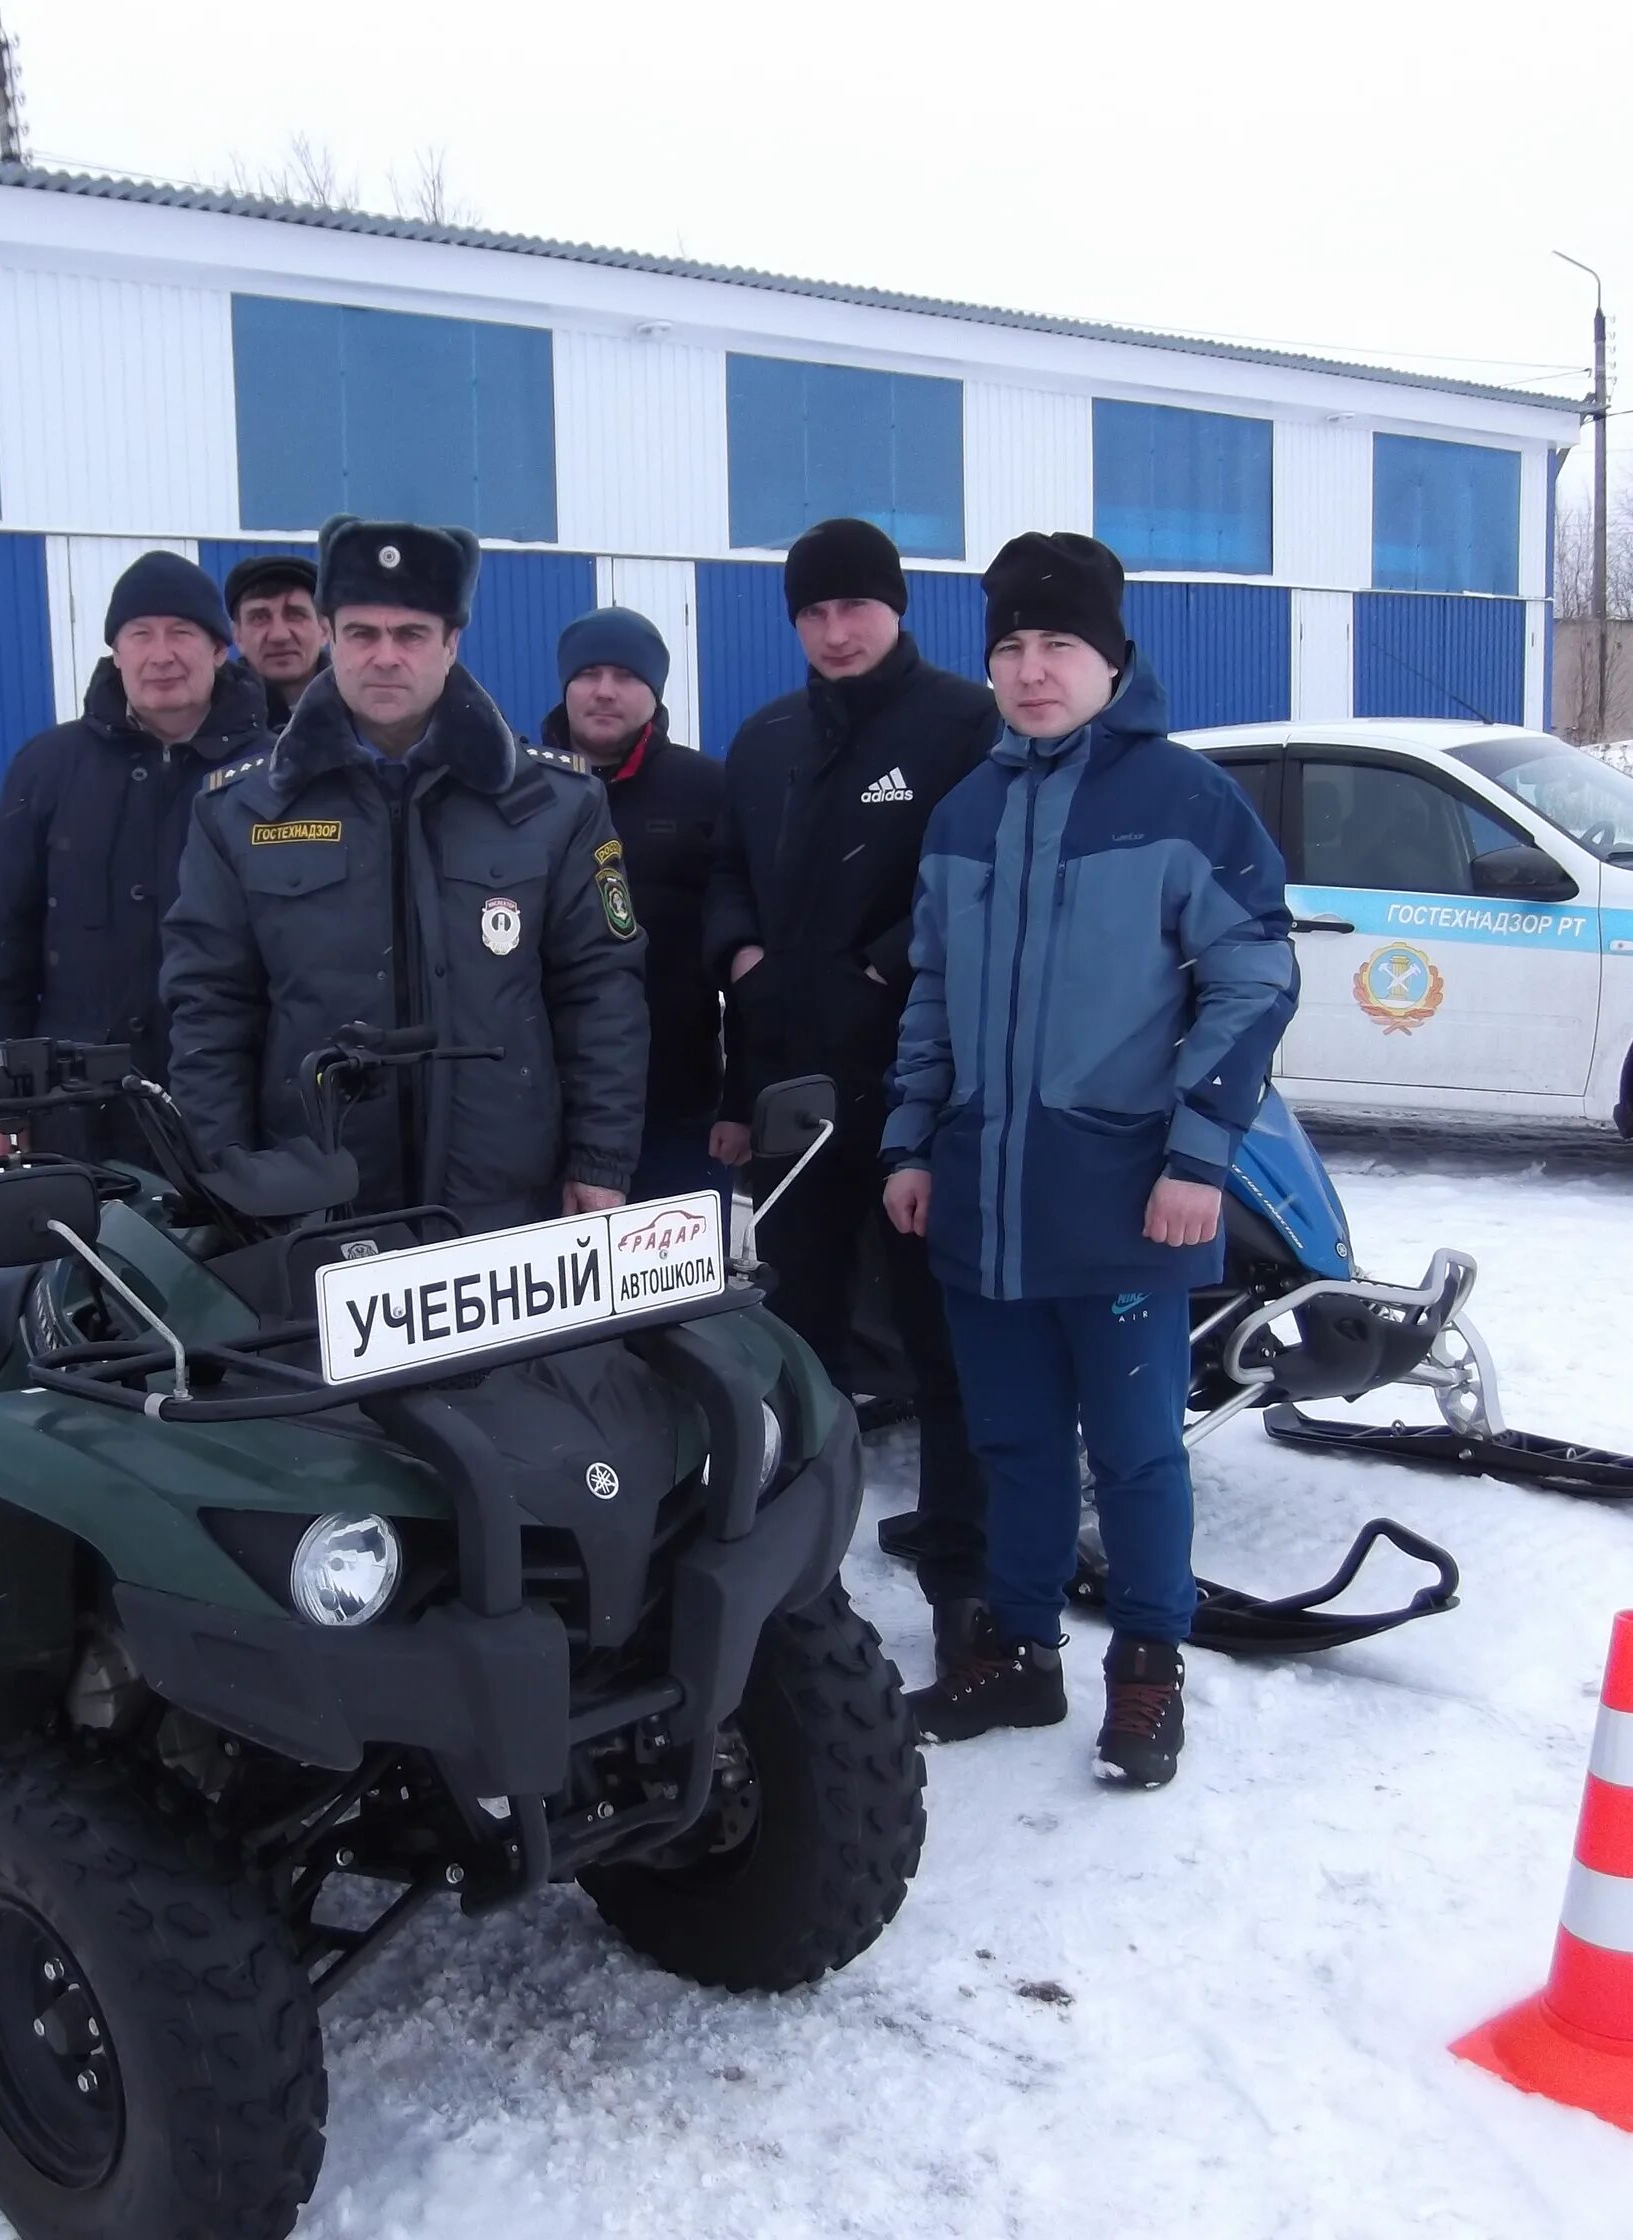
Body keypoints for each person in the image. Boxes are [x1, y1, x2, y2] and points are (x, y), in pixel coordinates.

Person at [882, 532, 1298, 1788]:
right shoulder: (966, 810)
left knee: (1133, 1452)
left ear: (1113, 659)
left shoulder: (1184, 800)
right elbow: (933, 993)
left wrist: (1199, 1157)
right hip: (985, 1200)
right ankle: (1019, 1652)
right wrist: (911, 1140)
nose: (1031, 667)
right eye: (1008, 644)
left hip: (1127, 1197)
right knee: (1011, 1445)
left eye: (1058, 643)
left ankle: (1148, 1668)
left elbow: (1256, 976)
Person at [164, 516, 648, 1232]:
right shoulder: (243, 809)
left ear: (451, 643)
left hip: (502, 1199)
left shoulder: (554, 803)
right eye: (363, 633)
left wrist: (600, 1161)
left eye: (412, 634)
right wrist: (226, 1175)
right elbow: (210, 1005)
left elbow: (600, 992)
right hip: (312, 1199)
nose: (385, 656)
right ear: (329, 635)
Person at [704, 516, 996, 1635]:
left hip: (918, 1088)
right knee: (799, 1338)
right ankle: (797, 1571)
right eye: (814, 612)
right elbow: (730, 873)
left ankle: (964, 1580)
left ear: (898, 608)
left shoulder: (961, 725)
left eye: (854, 608)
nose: (835, 631)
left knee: (939, 1345)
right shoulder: (768, 737)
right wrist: (740, 962)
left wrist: (878, 969)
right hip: (788, 1092)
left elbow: (961, 885)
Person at [0, 549, 270, 1164]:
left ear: (219, 650)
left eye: (182, 632)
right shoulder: (46, 768)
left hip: (235, 1104)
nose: (161, 654)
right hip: (74, 1111)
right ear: (115, 652)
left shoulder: (275, 774)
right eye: (140, 634)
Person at [541, 606, 730, 1204]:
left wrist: (743, 1095)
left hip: (677, 1104)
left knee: (678, 1290)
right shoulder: (521, 792)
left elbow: (741, 937)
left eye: (625, 676)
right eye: (588, 674)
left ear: (654, 692)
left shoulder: (706, 790)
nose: (604, 691)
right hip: (544, 1109)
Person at [223, 550, 330, 723]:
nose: (279, 635)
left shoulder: (365, 714)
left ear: (324, 629)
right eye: (259, 617)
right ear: (238, 635)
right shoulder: (208, 719)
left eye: (295, 615)